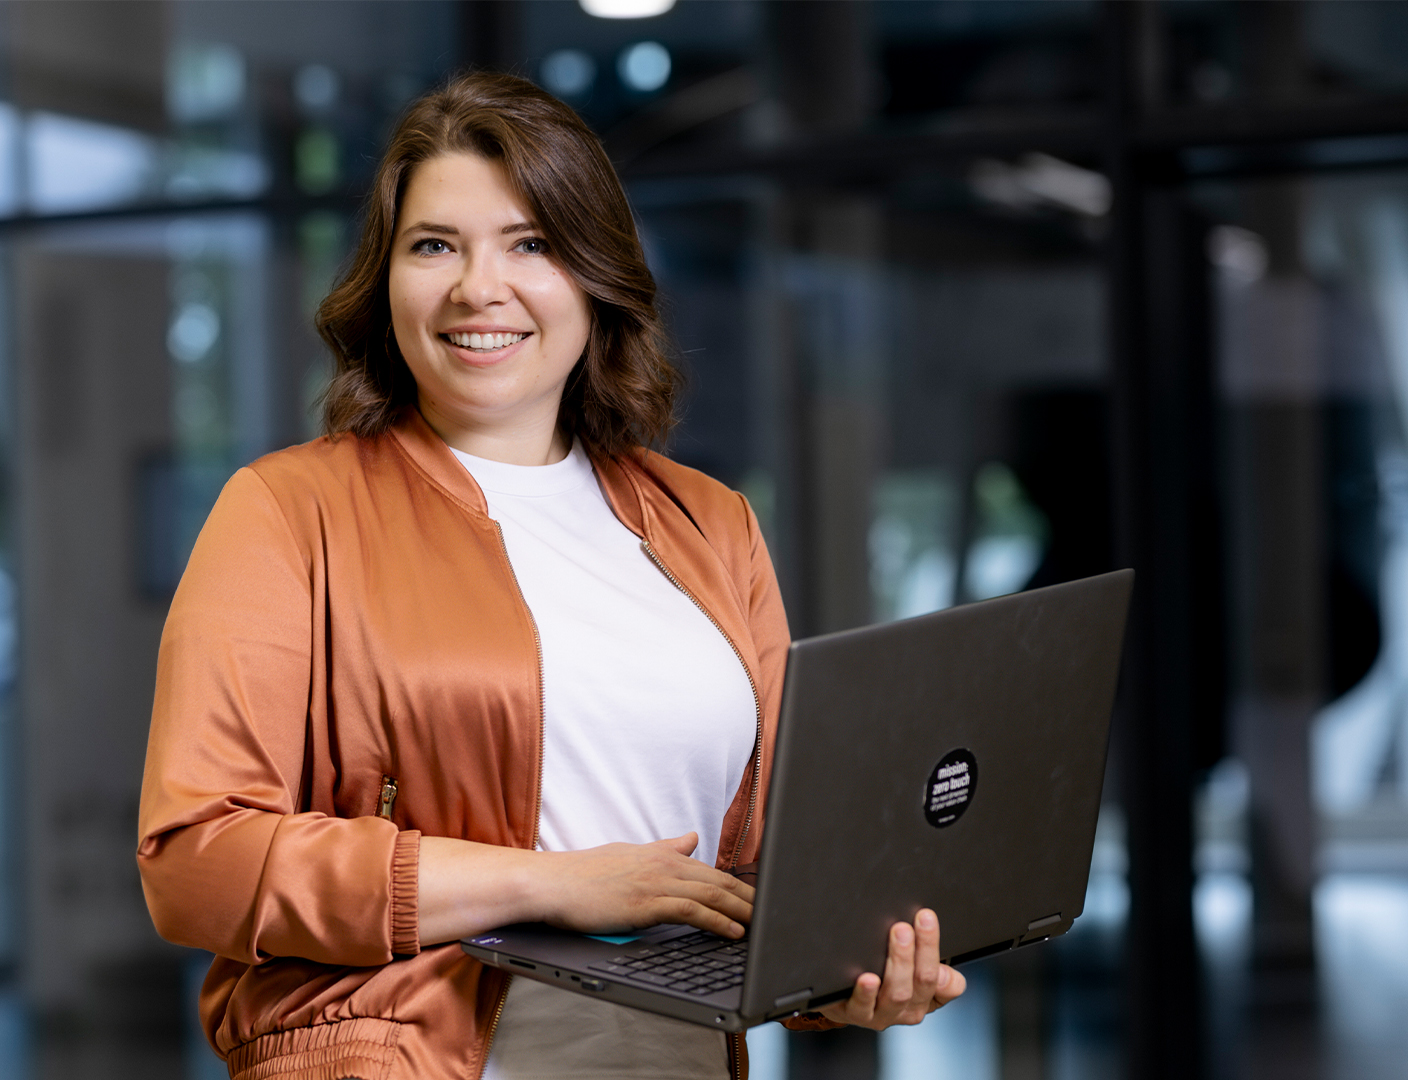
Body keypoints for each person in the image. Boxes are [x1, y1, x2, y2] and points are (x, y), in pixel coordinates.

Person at [137, 71, 966, 1080]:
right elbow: (198, 863)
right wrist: (552, 885)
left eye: (530, 243)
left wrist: (853, 970)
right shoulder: (289, 511)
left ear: (595, 274)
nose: (478, 287)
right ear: (384, 279)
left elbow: (769, 867)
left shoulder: (712, 525)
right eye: (434, 244)